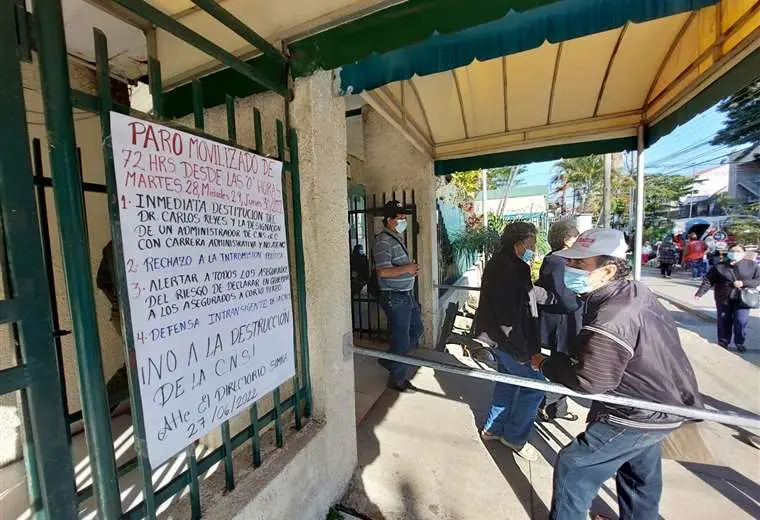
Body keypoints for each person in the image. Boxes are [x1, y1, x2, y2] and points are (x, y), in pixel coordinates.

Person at [531, 228, 702, 520]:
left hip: (636, 412)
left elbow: (591, 380)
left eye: (580, 265)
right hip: (664, 404)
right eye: (570, 263)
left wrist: (544, 364)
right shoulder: (632, 291)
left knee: (575, 466)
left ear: (608, 269)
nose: (569, 269)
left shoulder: (613, 317)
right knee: (639, 475)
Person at [472, 222, 553, 461]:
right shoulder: (508, 267)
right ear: (518, 243)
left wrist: (548, 297)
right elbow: (507, 314)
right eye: (530, 243)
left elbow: (524, 294)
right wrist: (521, 349)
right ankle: (515, 437)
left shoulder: (507, 263)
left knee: (507, 381)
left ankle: (492, 429)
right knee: (537, 385)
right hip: (508, 340)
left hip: (501, 338)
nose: (532, 248)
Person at [535, 220, 582, 423]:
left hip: (565, 322)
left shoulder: (563, 259)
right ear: (566, 239)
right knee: (562, 365)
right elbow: (565, 297)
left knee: (564, 364)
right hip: (562, 324)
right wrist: (582, 300)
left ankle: (557, 408)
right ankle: (547, 405)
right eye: (575, 238)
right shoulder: (557, 261)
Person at [374, 200, 422, 392]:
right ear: (389, 220)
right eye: (400, 217)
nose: (403, 220)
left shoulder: (395, 237)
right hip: (394, 297)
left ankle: (390, 360)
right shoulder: (383, 241)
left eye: (404, 217)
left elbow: (396, 267)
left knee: (416, 329)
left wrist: (409, 270)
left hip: (405, 295)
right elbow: (382, 272)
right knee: (402, 338)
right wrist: (407, 268)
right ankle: (398, 379)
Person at [695, 244, 760, 353]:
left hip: (743, 298)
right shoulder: (720, 266)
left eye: (738, 251)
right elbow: (708, 280)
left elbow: (758, 280)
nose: (735, 253)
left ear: (743, 253)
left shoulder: (752, 265)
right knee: (724, 320)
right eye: (732, 250)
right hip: (723, 297)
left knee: (741, 321)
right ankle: (723, 342)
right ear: (728, 252)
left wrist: (744, 283)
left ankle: (739, 342)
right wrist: (700, 293)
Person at [95, 240, 130, 414]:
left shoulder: (112, 243)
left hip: (123, 314)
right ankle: (99, 412)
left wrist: (117, 303)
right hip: (140, 316)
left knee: (137, 366)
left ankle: (99, 413)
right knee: (136, 368)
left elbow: (102, 281)